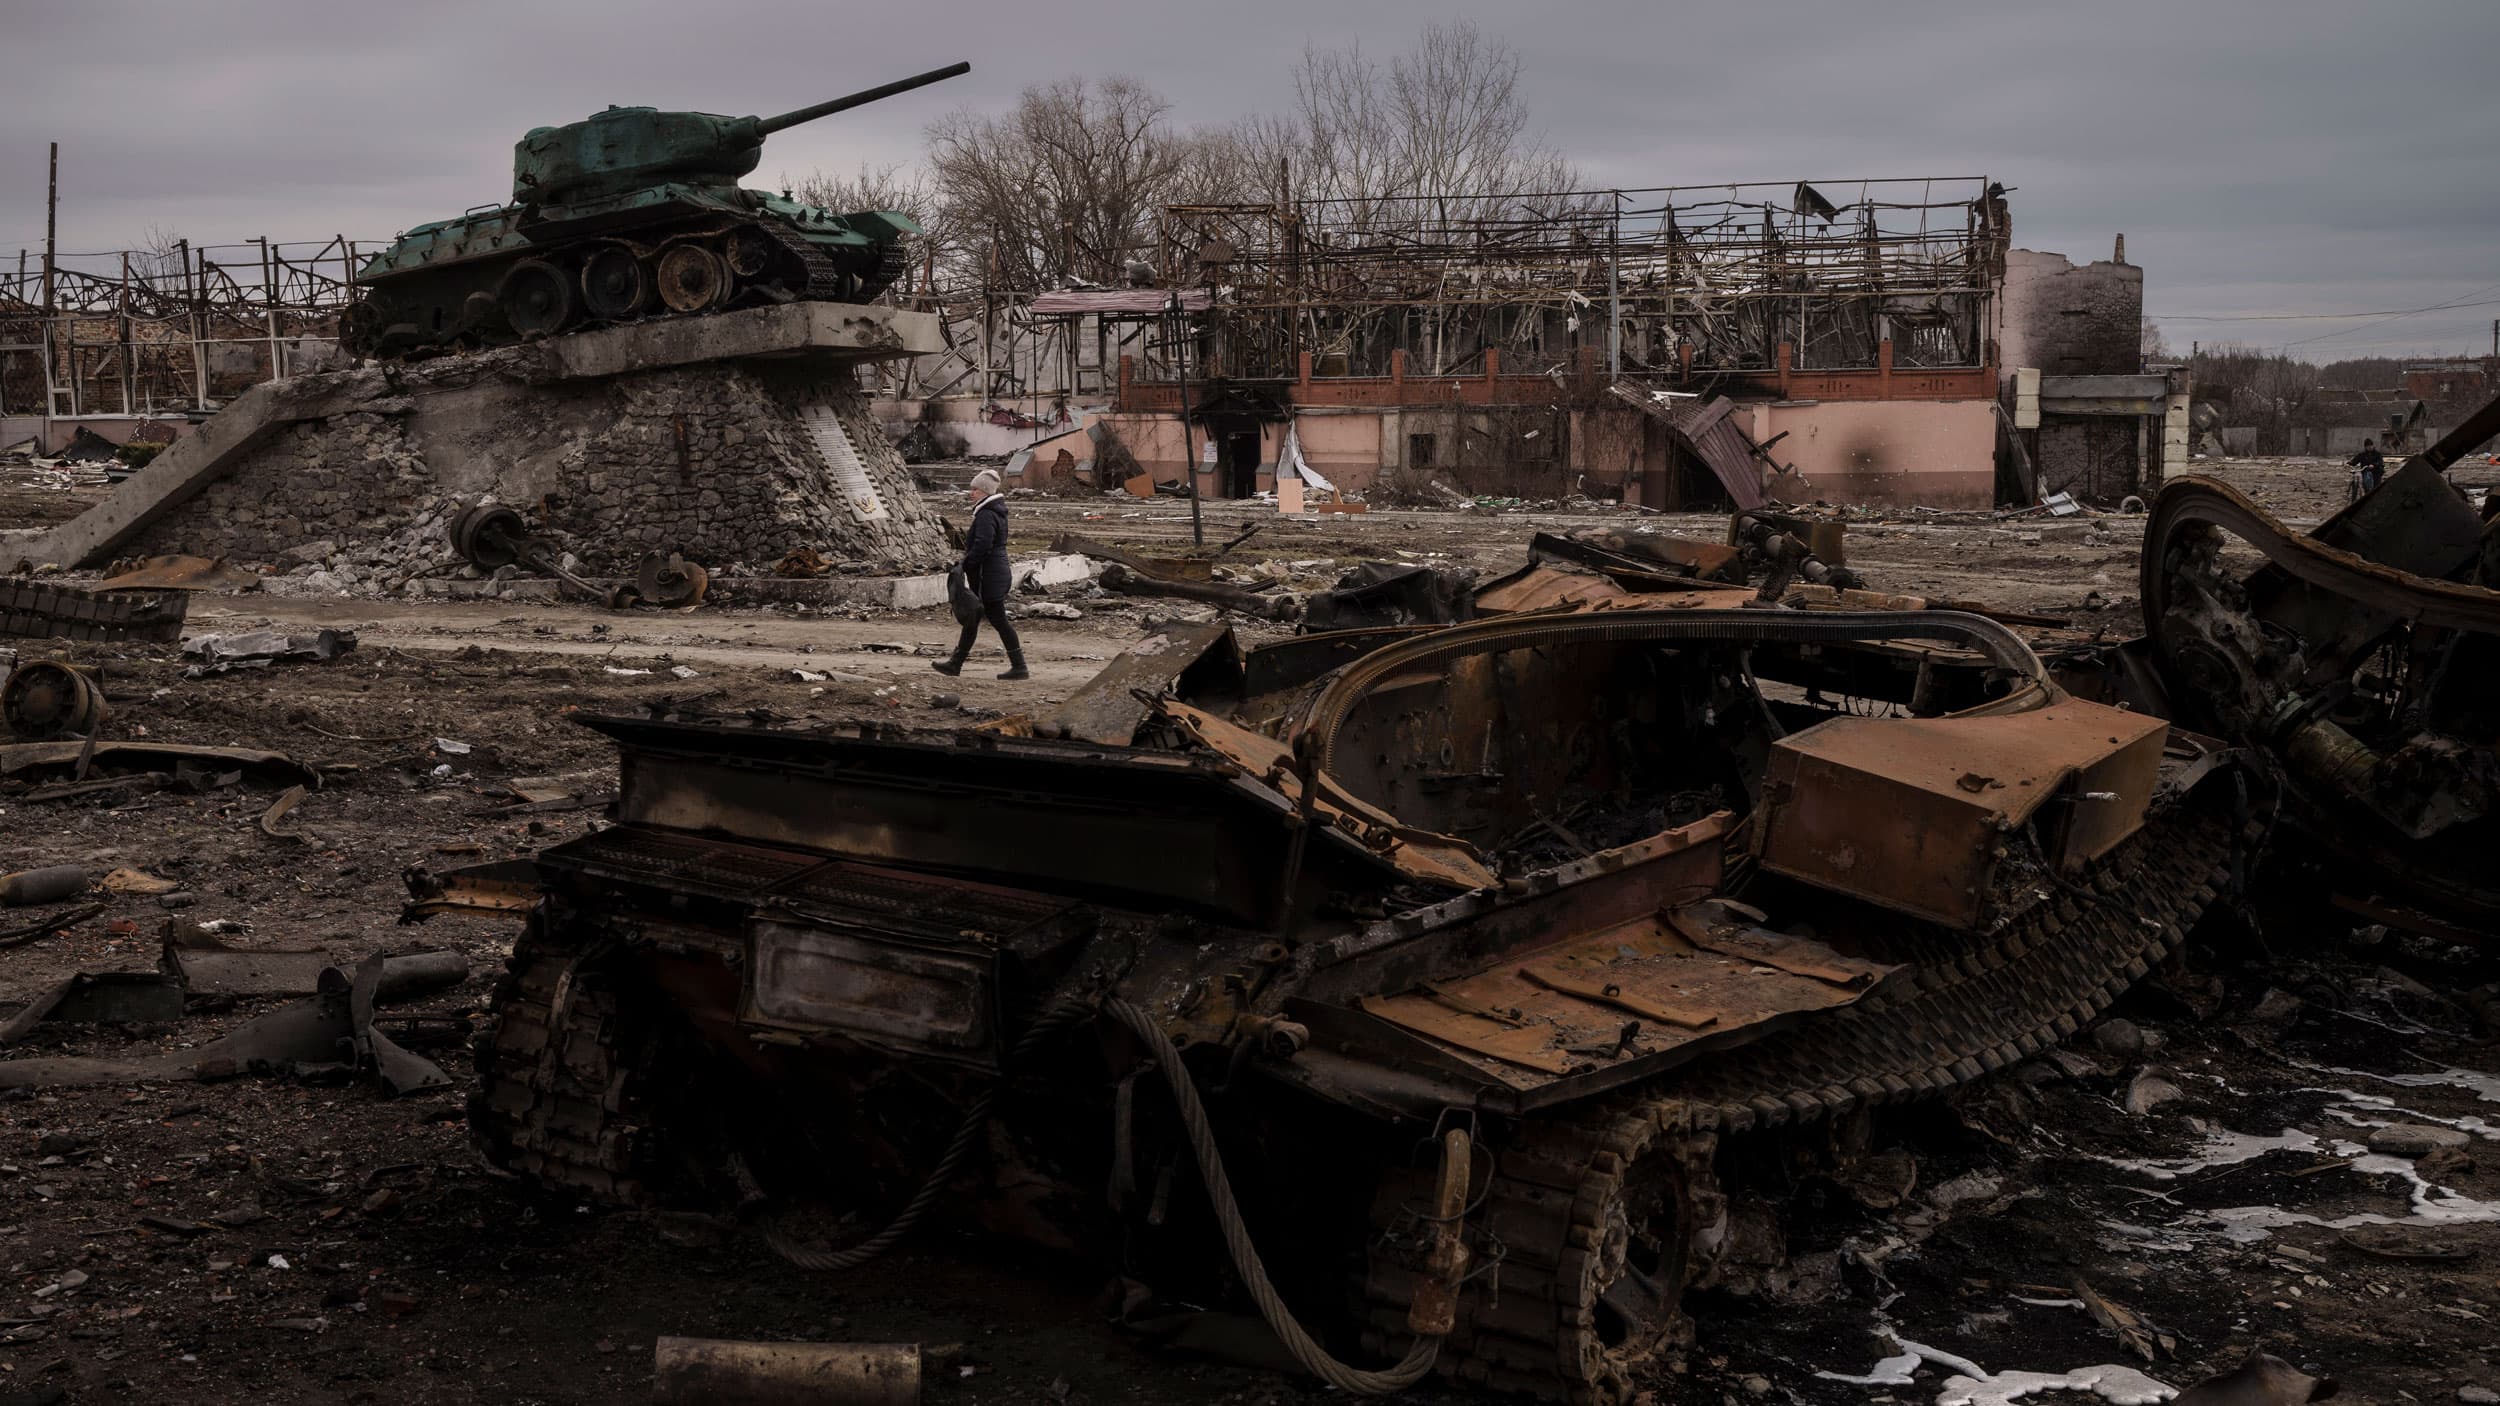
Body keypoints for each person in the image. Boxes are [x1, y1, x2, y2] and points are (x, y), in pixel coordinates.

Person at [934, 468, 1029, 681]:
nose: (971, 493)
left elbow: (983, 545)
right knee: (976, 619)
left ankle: (1019, 667)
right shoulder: (993, 511)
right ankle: (955, 664)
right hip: (994, 573)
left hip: (990, 576)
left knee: (996, 620)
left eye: (975, 489)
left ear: (985, 491)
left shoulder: (986, 514)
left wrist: (964, 564)